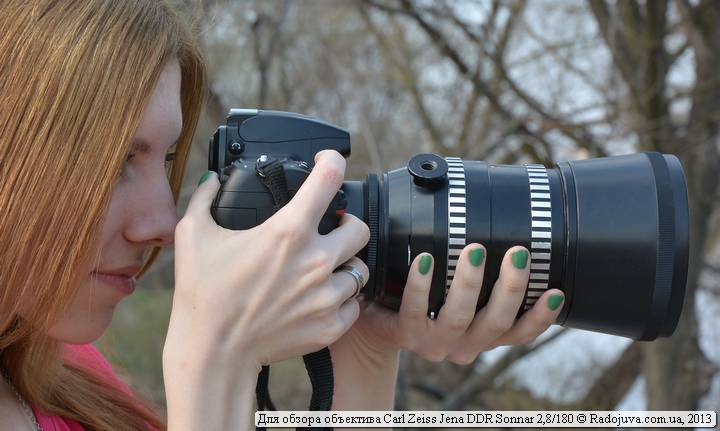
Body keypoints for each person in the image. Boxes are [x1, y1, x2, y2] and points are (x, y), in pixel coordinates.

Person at [0, 1, 565, 430]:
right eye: (118, 159)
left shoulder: (69, 380)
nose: (162, 225)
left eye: (167, 159)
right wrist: (216, 362)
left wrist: (362, 348)